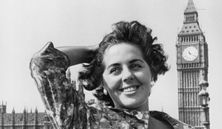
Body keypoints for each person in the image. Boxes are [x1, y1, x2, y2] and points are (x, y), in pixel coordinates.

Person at [30, 21, 194, 129]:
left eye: (135, 65)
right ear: (102, 82)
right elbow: (44, 62)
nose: (127, 75)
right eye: (115, 69)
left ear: (152, 72)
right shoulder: (88, 123)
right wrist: (97, 51)